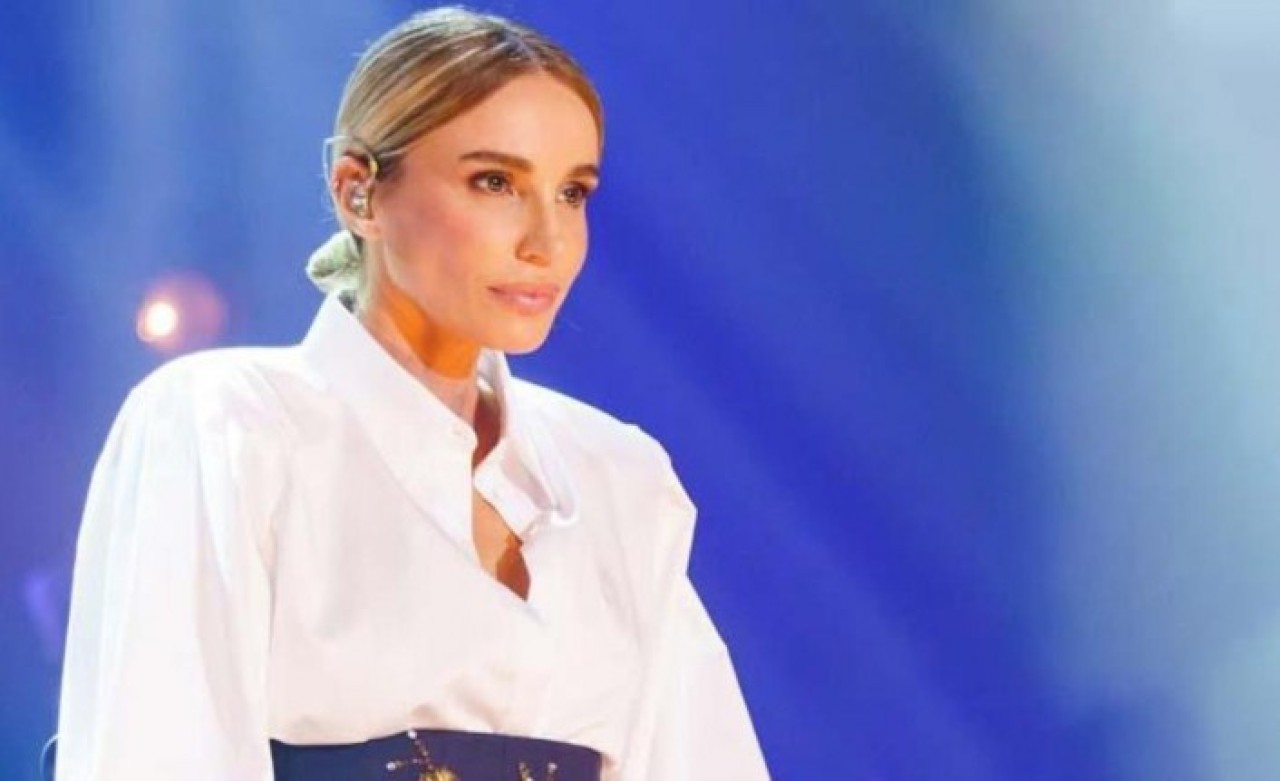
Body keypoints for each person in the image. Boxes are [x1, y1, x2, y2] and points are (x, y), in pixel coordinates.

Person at [54, 6, 768, 780]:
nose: (548, 241)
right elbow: (156, 752)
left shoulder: (618, 476)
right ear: (358, 192)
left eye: (573, 192)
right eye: (495, 182)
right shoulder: (228, 424)